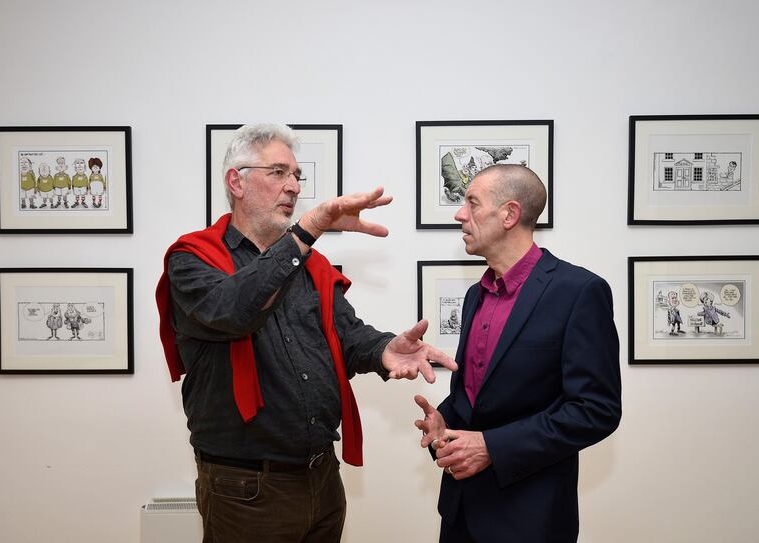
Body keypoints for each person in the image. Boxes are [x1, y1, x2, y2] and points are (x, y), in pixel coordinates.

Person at [156, 123, 457, 543]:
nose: (294, 187)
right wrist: (306, 231)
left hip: (321, 476)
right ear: (235, 182)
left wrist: (386, 349)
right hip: (246, 488)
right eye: (278, 172)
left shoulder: (307, 265)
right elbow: (235, 312)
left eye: (297, 176)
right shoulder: (193, 260)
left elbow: (346, 334)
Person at [415, 164, 621, 543]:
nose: (460, 214)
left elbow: (596, 410)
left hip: (531, 518)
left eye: (472, 203)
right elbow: (479, 395)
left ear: (510, 214)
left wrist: (492, 447)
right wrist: (445, 421)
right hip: (459, 513)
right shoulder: (475, 295)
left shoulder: (579, 291)